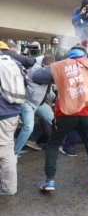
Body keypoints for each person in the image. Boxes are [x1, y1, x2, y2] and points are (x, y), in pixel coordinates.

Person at [32, 44, 88, 191]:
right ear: (83, 55)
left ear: (68, 55)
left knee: (53, 145)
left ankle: (49, 181)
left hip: (65, 113)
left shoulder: (59, 66)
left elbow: (35, 76)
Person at [14, 55, 55, 156]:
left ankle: (41, 141)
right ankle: (14, 153)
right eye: (47, 68)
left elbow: (49, 91)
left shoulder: (49, 71)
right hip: (28, 103)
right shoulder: (35, 71)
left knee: (54, 121)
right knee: (28, 127)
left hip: (40, 103)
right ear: (43, 64)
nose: (48, 71)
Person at [0, 49, 25, 195]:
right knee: (7, 147)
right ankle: (9, 186)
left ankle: (8, 188)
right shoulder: (15, 63)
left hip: (1, 112)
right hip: (13, 112)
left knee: (4, 150)